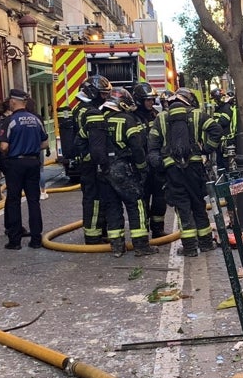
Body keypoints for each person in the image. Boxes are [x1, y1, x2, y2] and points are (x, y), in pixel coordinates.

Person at [148, 87, 222, 257]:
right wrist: (206, 149)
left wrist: (160, 164)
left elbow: (152, 145)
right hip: (195, 169)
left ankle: (189, 248)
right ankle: (205, 243)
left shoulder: (161, 118)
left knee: (182, 207)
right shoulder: (197, 114)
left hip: (173, 171)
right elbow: (216, 130)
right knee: (198, 204)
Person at [93, 87, 156, 257]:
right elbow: (137, 146)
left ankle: (117, 247)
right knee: (136, 204)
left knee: (112, 207)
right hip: (122, 168)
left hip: (102, 170)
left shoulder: (97, 119)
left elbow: (82, 142)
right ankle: (141, 246)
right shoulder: (126, 120)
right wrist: (142, 168)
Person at [0, 89, 48, 250]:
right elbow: (45, 143)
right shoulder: (36, 119)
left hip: (15, 164)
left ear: (13, 102)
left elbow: (4, 146)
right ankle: (36, 239)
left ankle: (15, 240)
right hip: (33, 162)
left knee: (13, 201)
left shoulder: (10, 121)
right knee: (33, 201)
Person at [73, 75, 112, 245]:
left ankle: (96, 232)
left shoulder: (78, 109)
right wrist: (103, 164)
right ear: (92, 92)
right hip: (92, 163)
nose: (105, 98)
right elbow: (96, 143)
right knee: (95, 199)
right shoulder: (91, 112)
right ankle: (94, 235)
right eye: (102, 94)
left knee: (91, 197)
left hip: (84, 161)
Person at [131, 82, 167, 238]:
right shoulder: (132, 118)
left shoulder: (155, 116)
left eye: (153, 100)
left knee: (160, 199)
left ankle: (158, 230)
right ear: (139, 100)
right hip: (141, 168)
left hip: (156, 166)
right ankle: (143, 230)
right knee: (142, 201)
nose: (152, 103)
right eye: (148, 100)